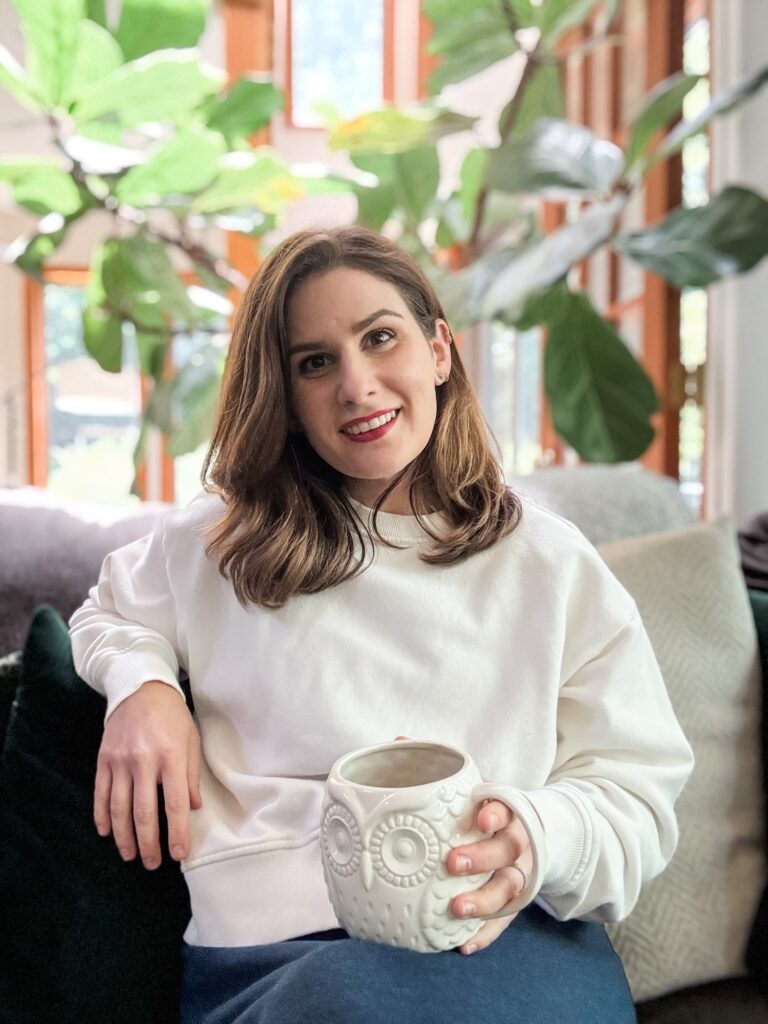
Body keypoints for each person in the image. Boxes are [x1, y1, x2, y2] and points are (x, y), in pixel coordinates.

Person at [70, 225, 693, 1024]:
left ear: (438, 350)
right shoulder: (218, 544)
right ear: (287, 401)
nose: (357, 386)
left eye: (380, 338)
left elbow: (638, 795)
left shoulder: (550, 564)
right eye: (315, 362)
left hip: (501, 937)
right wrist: (142, 685)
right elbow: (108, 611)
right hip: (279, 959)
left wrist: (537, 834)